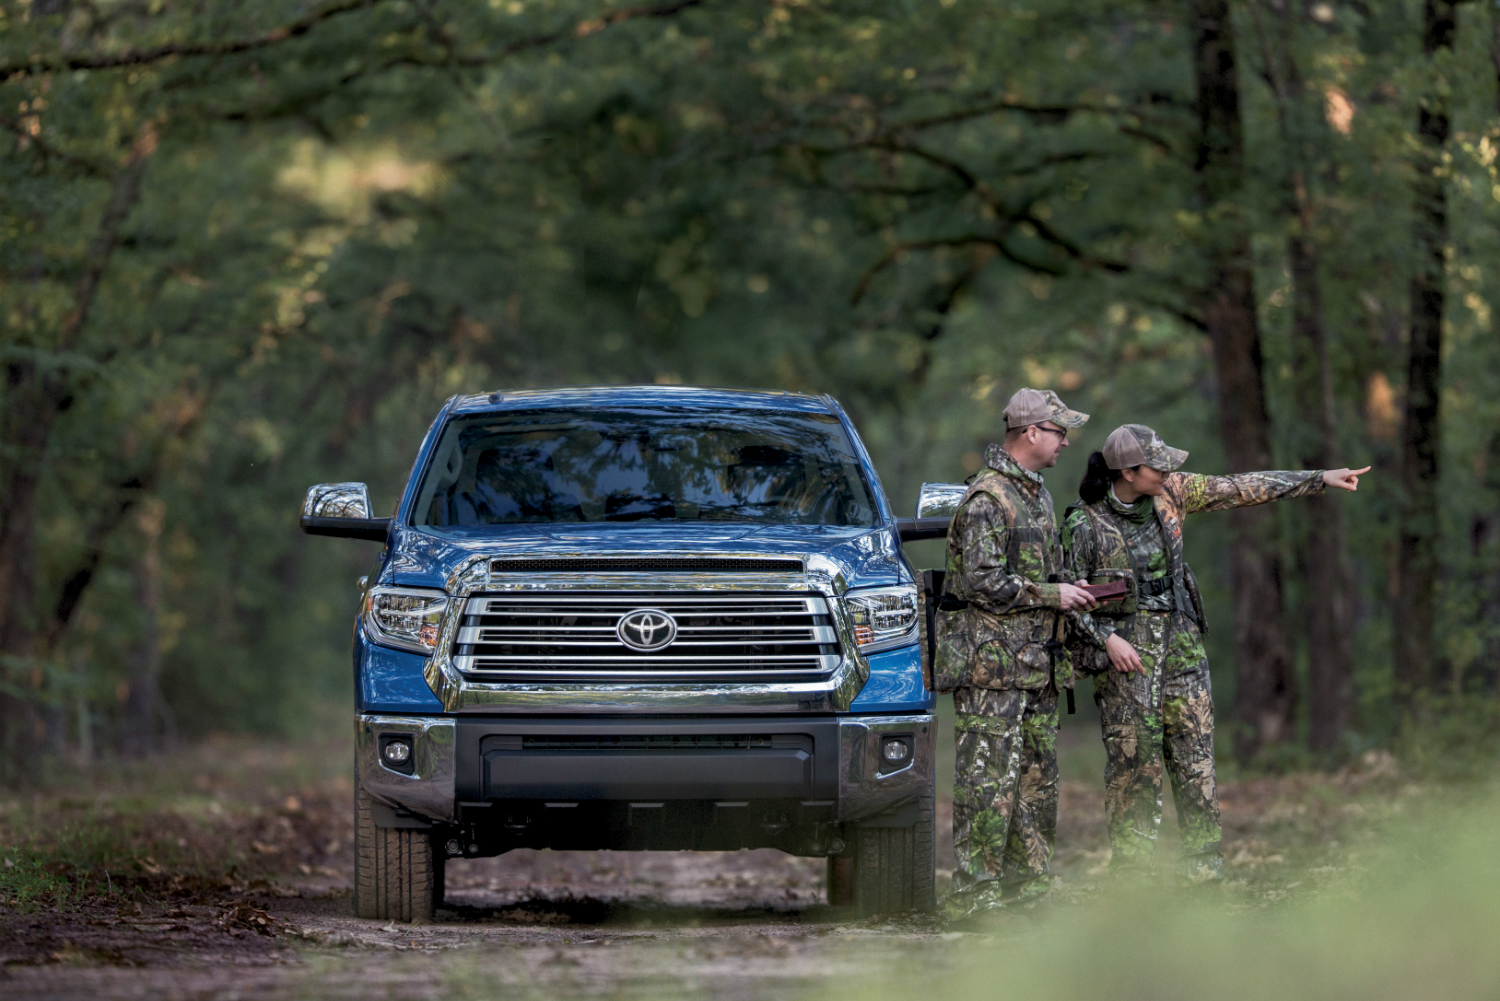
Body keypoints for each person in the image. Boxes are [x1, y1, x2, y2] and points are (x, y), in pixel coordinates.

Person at [1061, 423, 1369, 880]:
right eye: (1157, 465)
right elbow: (1064, 600)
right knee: (1133, 768)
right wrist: (1106, 639)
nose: (1167, 471)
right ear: (1127, 472)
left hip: (1183, 650)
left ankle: (1205, 871)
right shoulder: (1084, 524)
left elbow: (1240, 487)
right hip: (1127, 661)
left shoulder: (1173, 493)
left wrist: (1319, 477)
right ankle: (1133, 883)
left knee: (1196, 762)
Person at [933, 388, 1100, 922]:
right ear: (1031, 432)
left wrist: (1067, 587)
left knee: (1036, 783)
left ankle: (1026, 894)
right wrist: (1052, 594)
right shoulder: (989, 498)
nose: (1065, 442)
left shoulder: (1038, 495)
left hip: (1037, 667)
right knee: (987, 785)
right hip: (993, 672)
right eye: (1058, 432)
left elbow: (1034, 573)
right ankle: (974, 899)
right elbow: (980, 581)